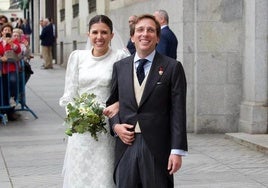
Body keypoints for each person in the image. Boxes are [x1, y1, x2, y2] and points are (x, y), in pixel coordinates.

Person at [106, 14, 188, 188]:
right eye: (140, 30)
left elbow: (178, 112)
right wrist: (116, 126)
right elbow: (112, 105)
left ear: (158, 38)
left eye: (151, 30)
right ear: (132, 37)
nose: (145, 34)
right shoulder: (120, 67)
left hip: (157, 148)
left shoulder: (172, 67)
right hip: (126, 146)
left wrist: (177, 151)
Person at [59, 15, 129, 187]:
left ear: (112, 35)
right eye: (95, 32)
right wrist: (77, 115)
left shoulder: (120, 57)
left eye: (104, 32)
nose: (99, 37)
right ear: (88, 34)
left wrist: (117, 106)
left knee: (103, 173)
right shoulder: (77, 57)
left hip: (107, 127)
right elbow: (69, 94)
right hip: (81, 128)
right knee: (80, 172)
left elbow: (128, 92)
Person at [0, 23, 21, 121]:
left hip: (11, 68)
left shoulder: (14, 41)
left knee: (13, 81)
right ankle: (4, 111)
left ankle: (12, 99)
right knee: (2, 89)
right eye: (5, 30)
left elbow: (18, 50)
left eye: (9, 30)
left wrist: (11, 43)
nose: (7, 31)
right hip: (2, 70)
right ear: (1, 32)